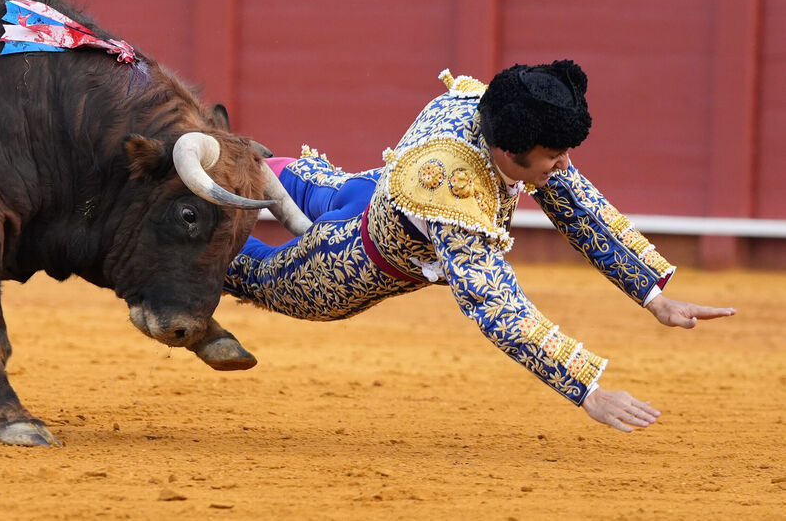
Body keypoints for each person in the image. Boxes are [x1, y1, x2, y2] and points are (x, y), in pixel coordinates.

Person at [196, 61, 736, 433]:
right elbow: (496, 306)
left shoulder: (484, 105)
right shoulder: (457, 189)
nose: (564, 165)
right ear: (507, 148)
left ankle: (228, 169)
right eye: (554, 154)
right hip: (351, 263)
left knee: (277, 172)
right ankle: (163, 223)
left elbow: (575, 203)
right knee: (239, 269)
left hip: (362, 192)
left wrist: (653, 296)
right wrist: (587, 390)